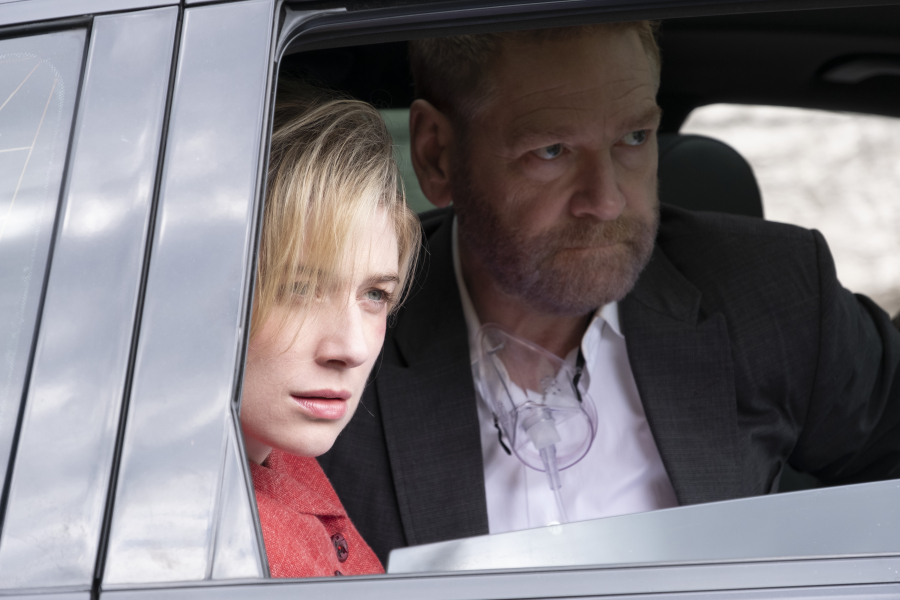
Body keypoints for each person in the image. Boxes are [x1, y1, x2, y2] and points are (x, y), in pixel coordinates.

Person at [318, 23, 900, 565]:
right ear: (437, 155)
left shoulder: (771, 293)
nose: (607, 200)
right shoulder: (335, 346)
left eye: (633, 137)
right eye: (552, 150)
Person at [240, 82, 420, 578]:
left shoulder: (272, 456)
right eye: (299, 288)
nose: (353, 348)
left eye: (375, 294)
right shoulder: (207, 540)